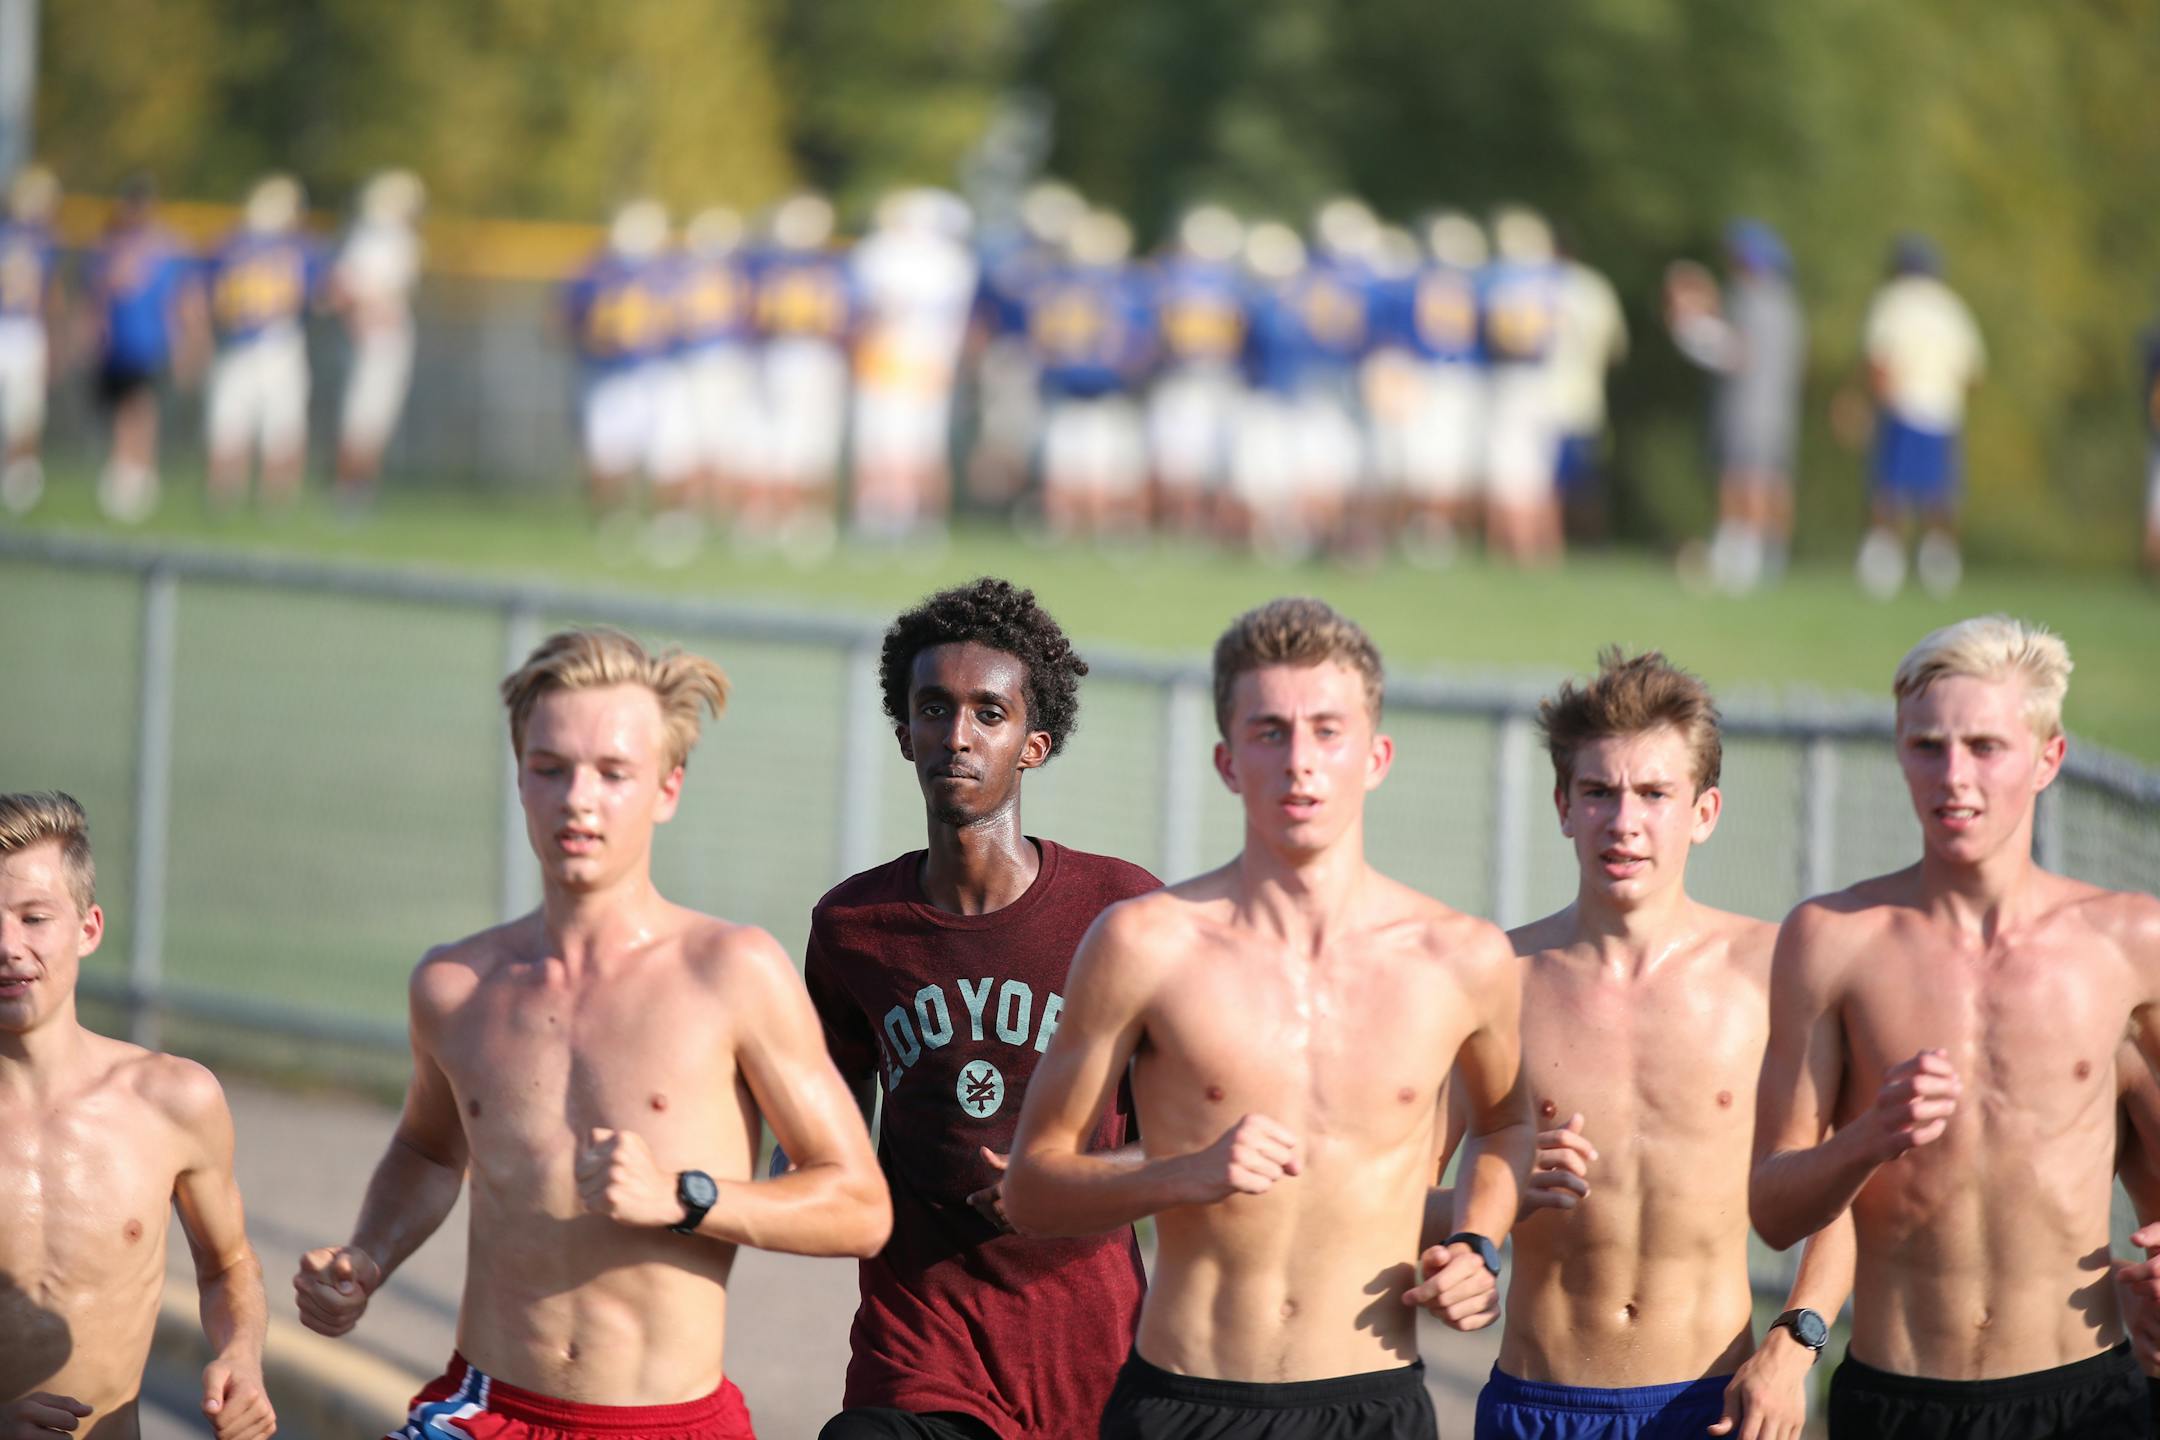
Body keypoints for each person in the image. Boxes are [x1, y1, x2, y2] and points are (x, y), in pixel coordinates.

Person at [292, 627, 891, 1439]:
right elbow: (431, 1150)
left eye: (614, 774)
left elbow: (858, 1205)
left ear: (668, 788)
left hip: (669, 1421)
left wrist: (687, 1197)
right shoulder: (454, 985)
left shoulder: (733, 971)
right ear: (520, 778)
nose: (578, 798)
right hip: (483, 1408)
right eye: (551, 769)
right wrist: (367, 1257)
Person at [1006, 597, 1532, 1440]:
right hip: (1185, 1402)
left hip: (1375, 1403)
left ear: (1377, 755)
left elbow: (1507, 1127)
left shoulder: (1461, 958)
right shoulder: (1144, 944)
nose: (1301, 763)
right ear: (1225, 760)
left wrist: (1478, 1241)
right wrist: (1182, 1172)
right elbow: (1031, 1185)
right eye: (1270, 732)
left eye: (1328, 730)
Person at [1752, 615, 2160, 1438]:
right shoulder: (1831, 938)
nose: (1954, 777)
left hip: (2083, 1400)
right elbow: (1772, 1205)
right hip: (1897, 1398)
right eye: (1927, 747)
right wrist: (1869, 1135)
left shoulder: (2130, 944)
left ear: (2049, 758)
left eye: (1985, 746)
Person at [804, 577, 1160, 1439]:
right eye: (934, 709)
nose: (957, 736)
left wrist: (1061, 1186)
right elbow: (825, 1138)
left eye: (987, 714)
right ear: (904, 733)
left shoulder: (1124, 913)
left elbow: (1187, 1147)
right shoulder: (852, 927)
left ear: (1034, 744)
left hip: (1089, 1350)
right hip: (917, 1344)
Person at [1479, 651, 1852, 1440]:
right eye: (1599, 792)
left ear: (1705, 811)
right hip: (1536, 1405)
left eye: (1655, 794)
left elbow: (1842, 1196)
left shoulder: (1773, 972)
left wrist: (1797, 1343)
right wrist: (1479, 1223)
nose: (1625, 822)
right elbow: (1385, 1198)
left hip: (1712, 1405)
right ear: (1562, 805)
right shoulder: (1496, 977)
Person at [0, 791, 276, 1440]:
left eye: (34, 917)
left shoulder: (174, 1100)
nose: (7, 946)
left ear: (89, 929)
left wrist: (241, 1356)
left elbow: (229, 1264)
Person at [1666, 221, 1806, 594]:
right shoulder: (1787, 304)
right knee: (1773, 480)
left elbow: (1735, 354)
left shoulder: (1748, 300)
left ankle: (1738, 558)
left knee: (1741, 477)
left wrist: (1690, 332)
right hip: (1779, 407)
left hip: (1746, 403)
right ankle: (1771, 557)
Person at [1852, 236, 1985, 600]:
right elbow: (1973, 374)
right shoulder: (1952, 308)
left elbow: (1880, 362)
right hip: (1944, 409)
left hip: (1903, 404)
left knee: (1889, 489)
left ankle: (1883, 565)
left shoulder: (1893, 302)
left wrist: (1870, 404)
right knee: (1940, 492)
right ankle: (1939, 567)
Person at [1027, 211, 1154, 543]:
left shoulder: (1128, 287)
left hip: (1109, 393)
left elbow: (1141, 346)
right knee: (1067, 472)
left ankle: (1107, 532)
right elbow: (1043, 340)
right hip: (1072, 392)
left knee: (1111, 474)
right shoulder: (1059, 286)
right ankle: (1072, 531)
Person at [84, 176, 206, 523]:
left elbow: (181, 299)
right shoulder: (110, 246)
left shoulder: (166, 248)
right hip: (119, 346)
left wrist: (188, 342)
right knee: (125, 409)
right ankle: (127, 471)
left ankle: (138, 473)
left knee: (139, 407)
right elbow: (100, 300)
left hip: (148, 343)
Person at [203, 174, 322, 510]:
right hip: (261, 345)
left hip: (255, 344)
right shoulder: (296, 248)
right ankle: (261, 497)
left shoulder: (230, 244)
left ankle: (242, 496)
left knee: (254, 425)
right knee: (253, 425)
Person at [328, 169, 426, 503]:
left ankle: (357, 491)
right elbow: (343, 291)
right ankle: (350, 491)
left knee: (371, 418)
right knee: (363, 418)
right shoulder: (381, 238)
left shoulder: (378, 237)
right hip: (375, 339)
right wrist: (364, 312)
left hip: (381, 338)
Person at [1480, 206, 1566, 565]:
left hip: (1513, 376)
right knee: (1537, 469)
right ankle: (1545, 546)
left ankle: (1515, 547)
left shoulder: (1501, 280)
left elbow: (1499, 333)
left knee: (1509, 467)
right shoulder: (1553, 279)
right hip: (1544, 379)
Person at [1545, 236, 1628, 545]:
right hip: (1585, 396)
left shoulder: (1537, 285)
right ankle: (1590, 544)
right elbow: (1616, 350)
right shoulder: (1596, 288)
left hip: (1543, 396)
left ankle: (1547, 547)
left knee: (1543, 482)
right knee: (1585, 482)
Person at [0, 165, 60, 515]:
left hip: (22, 329)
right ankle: (20, 481)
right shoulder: (39, 241)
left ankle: (20, 481)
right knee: (23, 412)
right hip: (17, 328)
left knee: (25, 412)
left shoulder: (38, 239)